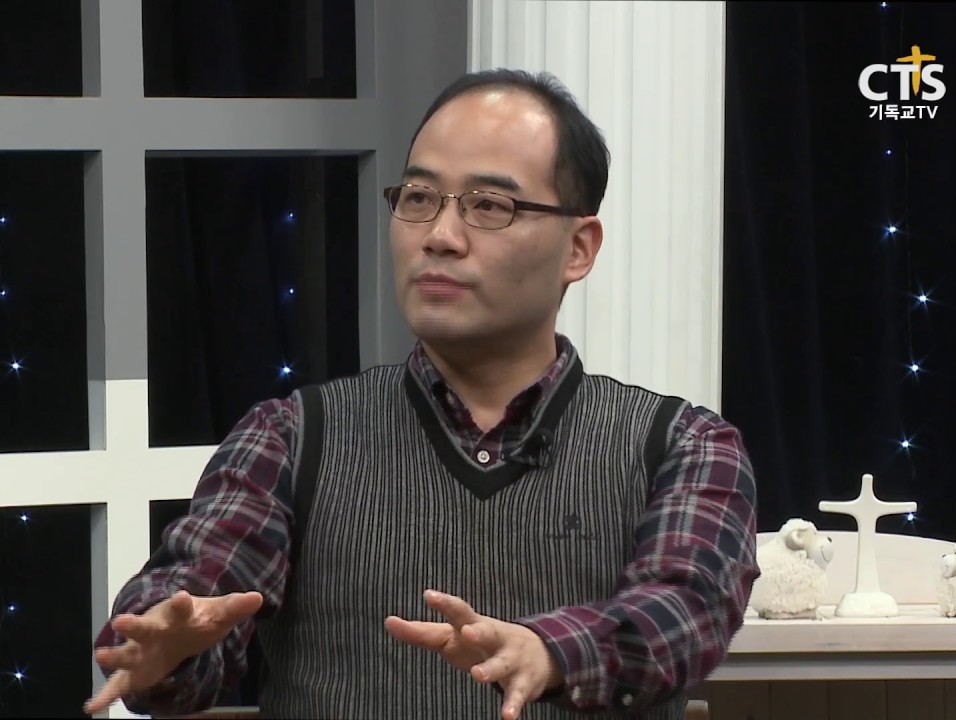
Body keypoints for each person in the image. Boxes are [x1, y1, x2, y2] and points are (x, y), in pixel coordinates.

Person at [85, 68, 760, 720]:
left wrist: (550, 651)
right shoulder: (292, 436)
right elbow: (197, 588)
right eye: (418, 198)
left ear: (579, 248)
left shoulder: (684, 446)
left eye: (489, 205)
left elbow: (684, 610)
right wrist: (162, 644)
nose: (440, 236)